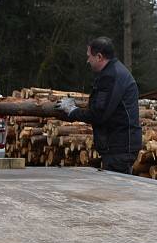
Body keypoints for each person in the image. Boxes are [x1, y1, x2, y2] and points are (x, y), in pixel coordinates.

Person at [56, 37, 142, 174]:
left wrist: (72, 111)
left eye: (89, 56)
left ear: (99, 57)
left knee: (115, 192)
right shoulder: (115, 72)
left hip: (119, 148)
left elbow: (99, 114)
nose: (87, 60)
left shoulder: (110, 77)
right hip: (121, 146)